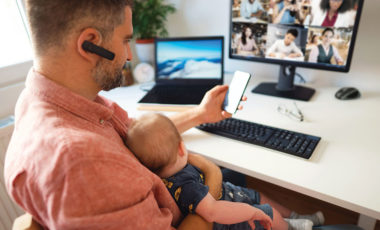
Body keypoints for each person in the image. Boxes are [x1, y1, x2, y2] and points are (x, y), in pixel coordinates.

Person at [3, 1, 245, 229]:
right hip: (196, 212)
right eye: (126, 40)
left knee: (239, 180)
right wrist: (212, 178)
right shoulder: (80, 163)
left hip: (178, 197)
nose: (129, 55)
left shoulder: (47, 99)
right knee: (248, 190)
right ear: (90, 42)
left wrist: (200, 114)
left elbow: (138, 133)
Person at [126, 113, 326, 230]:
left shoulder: (167, 174)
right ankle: (291, 227)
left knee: (259, 195)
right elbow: (212, 212)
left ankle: (296, 215)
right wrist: (252, 211)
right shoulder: (186, 186)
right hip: (229, 220)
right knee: (267, 212)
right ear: (181, 148)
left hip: (229, 194)